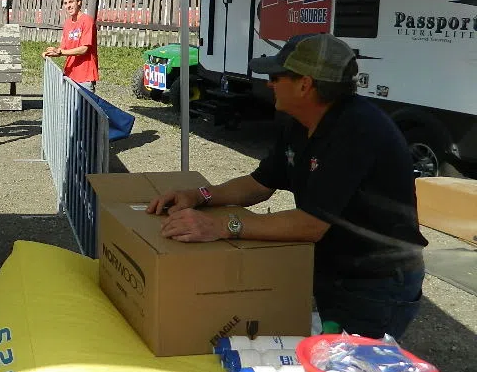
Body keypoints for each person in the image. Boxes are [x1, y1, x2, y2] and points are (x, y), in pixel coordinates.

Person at [146, 33, 427, 340]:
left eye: (276, 77)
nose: (269, 84)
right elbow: (259, 184)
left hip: (375, 282)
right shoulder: (300, 122)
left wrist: (222, 226)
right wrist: (199, 196)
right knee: (323, 351)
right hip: (336, 269)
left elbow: (311, 225)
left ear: (305, 84)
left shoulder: (357, 131)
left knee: (349, 366)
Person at [42, 0, 99, 91]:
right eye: (65, 3)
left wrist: (61, 52)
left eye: (71, 2)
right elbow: (63, 48)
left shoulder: (87, 21)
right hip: (70, 75)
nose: (68, 6)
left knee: (84, 102)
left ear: (79, 2)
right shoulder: (67, 23)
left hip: (85, 77)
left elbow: (84, 49)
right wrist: (51, 53)